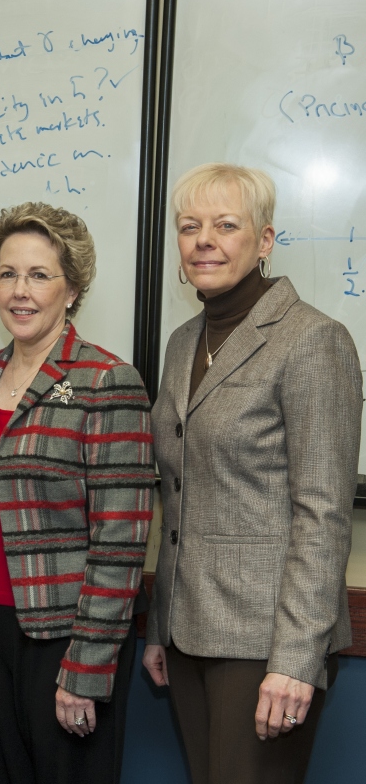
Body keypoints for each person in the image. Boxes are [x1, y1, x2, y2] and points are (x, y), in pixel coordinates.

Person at [143, 163, 361, 784]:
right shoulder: (185, 341)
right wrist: (161, 625)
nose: (204, 239)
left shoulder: (314, 340)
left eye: (225, 225)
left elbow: (322, 514)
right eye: (190, 226)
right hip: (189, 631)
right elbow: (181, 494)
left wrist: (295, 660)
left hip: (268, 642)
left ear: (264, 241)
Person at [0, 202, 154, 783]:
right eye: (8, 274)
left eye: (39, 275)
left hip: (63, 637)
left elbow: (121, 544)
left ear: (73, 287)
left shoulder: (106, 382)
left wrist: (86, 667)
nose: (20, 291)